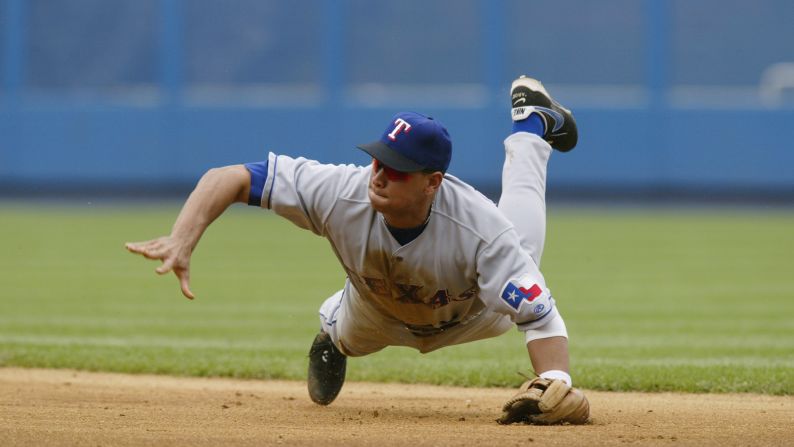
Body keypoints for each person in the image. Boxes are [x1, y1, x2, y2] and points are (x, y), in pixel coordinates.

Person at [125, 76, 590, 425]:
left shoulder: (481, 231)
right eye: (379, 160)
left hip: (476, 313)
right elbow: (231, 176)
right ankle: (330, 333)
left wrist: (557, 382)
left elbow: (542, 318)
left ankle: (531, 125)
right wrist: (182, 237)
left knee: (521, 231)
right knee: (344, 335)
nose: (380, 175)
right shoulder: (342, 192)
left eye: (399, 169)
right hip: (375, 310)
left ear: (433, 182)